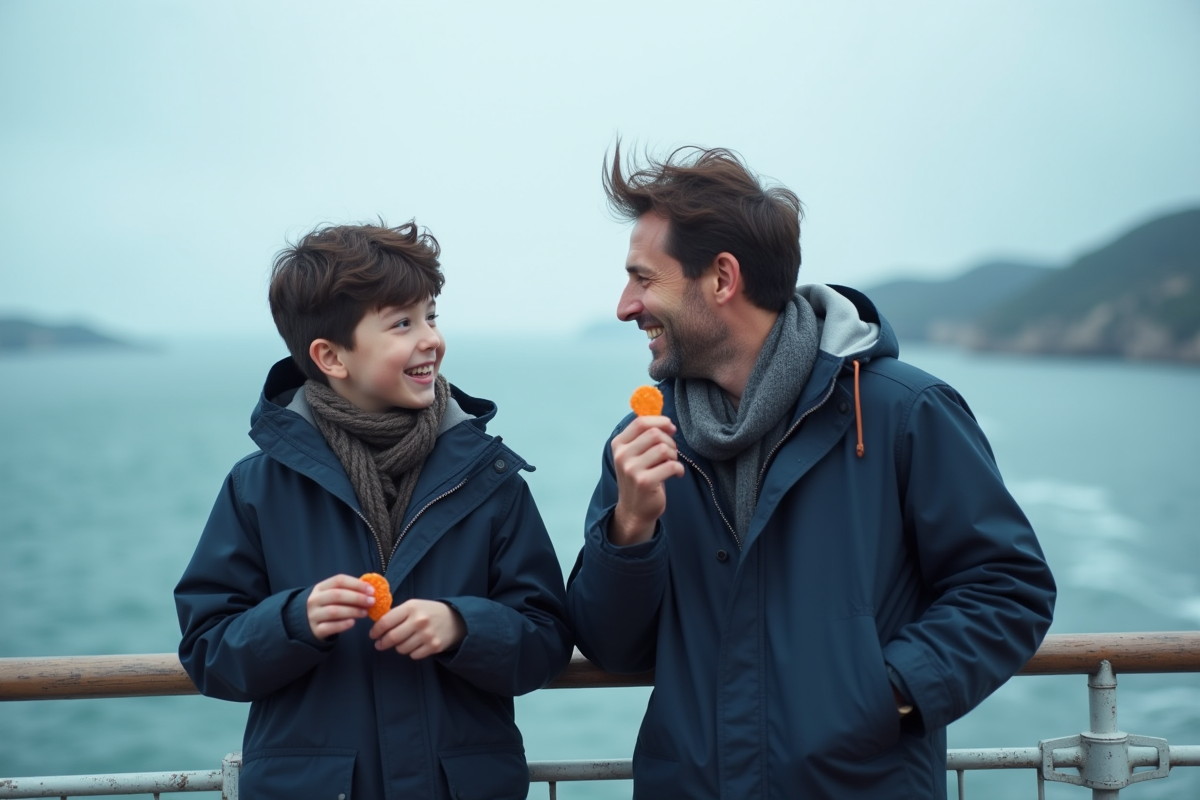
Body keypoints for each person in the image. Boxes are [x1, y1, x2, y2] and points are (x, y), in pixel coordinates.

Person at [566, 146, 1056, 799]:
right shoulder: (644, 442)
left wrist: (887, 693)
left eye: (643, 279)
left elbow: (1008, 588)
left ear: (722, 278)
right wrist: (630, 529)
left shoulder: (906, 412)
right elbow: (614, 647)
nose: (626, 305)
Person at [175, 221, 573, 800]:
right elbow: (207, 651)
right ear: (331, 356)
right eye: (402, 324)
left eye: (431, 316)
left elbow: (546, 642)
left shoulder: (490, 479)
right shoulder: (257, 486)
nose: (431, 339)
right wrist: (293, 621)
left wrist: (463, 626)